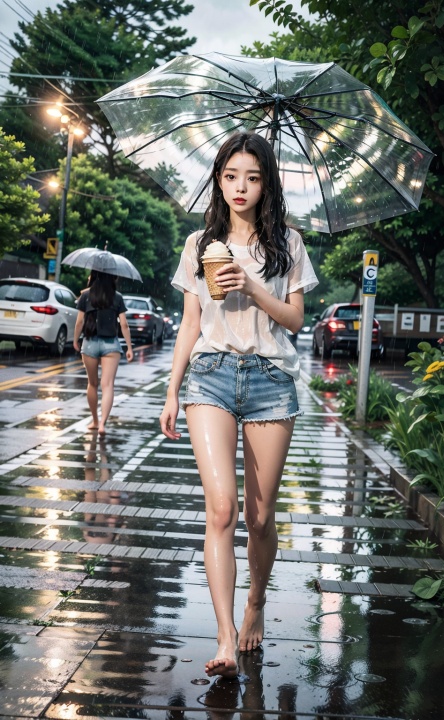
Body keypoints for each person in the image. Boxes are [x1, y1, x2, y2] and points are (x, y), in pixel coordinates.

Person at [159, 132, 318, 679]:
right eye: (230, 176)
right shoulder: (198, 244)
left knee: (260, 515)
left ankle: (255, 604)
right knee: (222, 508)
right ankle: (225, 634)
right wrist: (172, 389)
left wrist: (252, 285)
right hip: (211, 376)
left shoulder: (288, 245)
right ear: (218, 180)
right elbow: (190, 323)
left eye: (252, 177)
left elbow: (295, 321)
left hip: (272, 378)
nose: (240, 187)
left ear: (266, 182)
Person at [73, 270, 134, 434]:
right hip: (111, 345)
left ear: (93, 276)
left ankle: (94, 420)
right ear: (112, 277)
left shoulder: (86, 295)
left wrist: (74, 340)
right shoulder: (117, 296)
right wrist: (129, 347)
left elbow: (79, 322)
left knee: (92, 384)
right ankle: (102, 425)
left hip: (90, 342)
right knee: (107, 385)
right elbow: (124, 325)